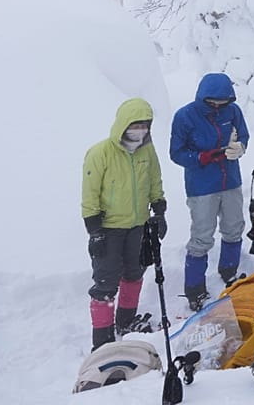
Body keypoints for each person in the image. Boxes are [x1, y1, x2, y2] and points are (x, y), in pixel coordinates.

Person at [82, 97, 168, 350]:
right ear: (122, 125)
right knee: (106, 282)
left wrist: (159, 211)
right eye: (134, 125)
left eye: (144, 125)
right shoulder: (100, 153)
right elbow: (90, 193)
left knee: (134, 273)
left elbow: (155, 180)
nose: (139, 130)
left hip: (138, 225)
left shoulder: (147, 151)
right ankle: (102, 339)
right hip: (108, 228)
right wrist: (94, 231)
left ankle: (126, 322)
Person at [169, 73, 250, 310]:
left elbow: (243, 135)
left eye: (221, 102)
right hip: (202, 185)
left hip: (231, 180)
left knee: (234, 227)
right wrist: (201, 158)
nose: (217, 106)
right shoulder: (185, 116)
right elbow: (176, 152)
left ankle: (229, 271)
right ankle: (194, 289)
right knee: (202, 235)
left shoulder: (233, 111)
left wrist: (240, 147)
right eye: (212, 102)